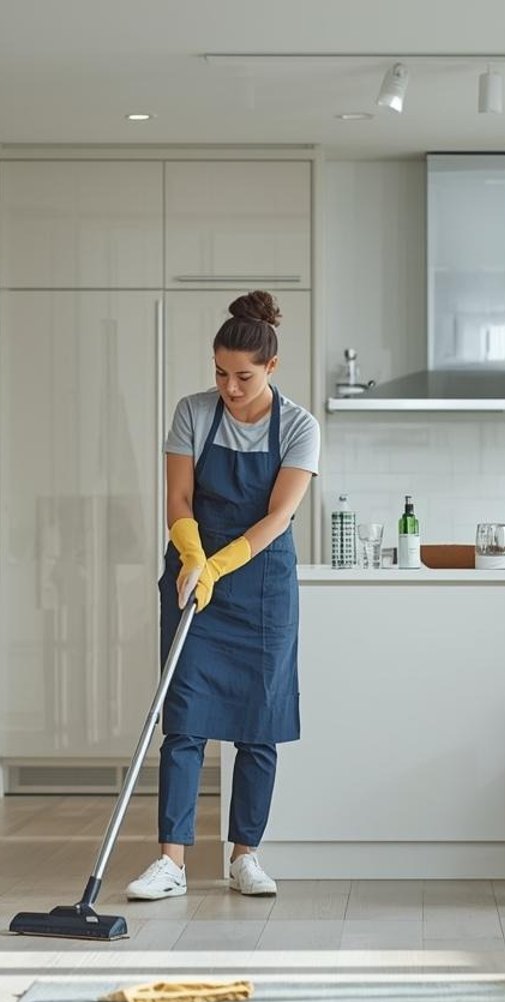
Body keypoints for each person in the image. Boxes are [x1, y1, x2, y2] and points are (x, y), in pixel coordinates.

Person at [125, 291, 318, 900]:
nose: (229, 388)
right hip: (191, 578)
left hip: (260, 586)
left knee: (258, 727)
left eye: (243, 376)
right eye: (220, 373)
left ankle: (245, 856)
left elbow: (278, 516)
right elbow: (178, 502)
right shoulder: (194, 413)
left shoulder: (300, 427)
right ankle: (172, 863)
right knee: (182, 721)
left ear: (271, 369)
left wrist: (220, 565)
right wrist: (192, 560)